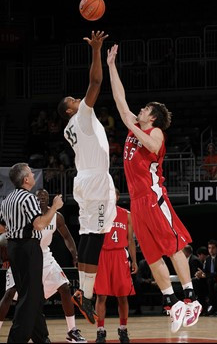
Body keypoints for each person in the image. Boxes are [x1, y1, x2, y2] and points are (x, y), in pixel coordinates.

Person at [106, 44, 202, 334]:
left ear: (153, 117)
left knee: (173, 246)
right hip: (136, 201)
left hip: (153, 196)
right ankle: (171, 303)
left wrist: (132, 126)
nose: (140, 109)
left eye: (145, 109)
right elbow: (120, 100)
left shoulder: (154, 131)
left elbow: (152, 146)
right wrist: (111, 65)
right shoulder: (137, 124)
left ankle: (191, 298)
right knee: (150, 255)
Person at [57, 30, 117, 325]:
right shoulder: (80, 116)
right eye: (73, 99)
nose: (78, 98)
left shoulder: (72, 126)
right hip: (94, 180)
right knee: (96, 236)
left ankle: (83, 290)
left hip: (83, 180)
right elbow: (95, 82)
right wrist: (96, 50)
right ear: (70, 109)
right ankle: (87, 294)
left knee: (86, 233)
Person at [0, 189, 86, 343]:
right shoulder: (27, 214)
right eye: (38, 197)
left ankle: (72, 331)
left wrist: (75, 254)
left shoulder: (56, 217)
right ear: (34, 199)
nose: (41, 199)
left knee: (65, 288)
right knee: (9, 295)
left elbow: (67, 236)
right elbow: (7, 233)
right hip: (25, 257)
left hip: (45, 256)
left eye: (44, 197)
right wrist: (6, 254)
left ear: (48, 199)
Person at [0, 163, 63, 343]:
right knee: (29, 296)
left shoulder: (8, 199)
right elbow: (39, 224)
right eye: (31, 174)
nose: (34, 176)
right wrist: (55, 207)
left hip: (14, 248)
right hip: (28, 247)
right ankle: (16, 339)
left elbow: (1, 227)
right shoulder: (28, 198)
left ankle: (41, 337)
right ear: (26, 179)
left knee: (33, 293)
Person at [93, 188, 138, 343]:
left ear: (118, 197)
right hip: (103, 255)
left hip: (120, 255)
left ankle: (123, 329)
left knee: (122, 295)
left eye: (113, 195)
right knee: (101, 295)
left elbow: (131, 240)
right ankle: (100, 330)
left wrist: (134, 260)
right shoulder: (99, 214)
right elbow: (93, 238)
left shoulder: (127, 214)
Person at [195, 239, 217, 316]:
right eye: (209, 248)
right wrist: (200, 273)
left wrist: (206, 275)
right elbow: (205, 271)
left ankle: (215, 306)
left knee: (212, 283)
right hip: (210, 279)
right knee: (195, 281)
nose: (211, 250)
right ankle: (202, 306)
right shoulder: (208, 258)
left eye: (213, 248)